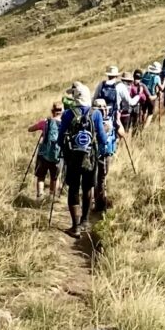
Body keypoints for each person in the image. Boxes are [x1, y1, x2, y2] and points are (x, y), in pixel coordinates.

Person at [55, 83, 99, 233]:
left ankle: (75, 227)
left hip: (73, 158)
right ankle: (85, 221)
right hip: (90, 157)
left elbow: (60, 138)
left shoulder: (68, 114)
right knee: (88, 187)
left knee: (73, 188)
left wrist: (66, 151)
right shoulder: (96, 114)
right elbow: (104, 139)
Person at [27, 102, 65, 200]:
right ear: (62, 112)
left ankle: (40, 196)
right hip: (58, 155)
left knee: (41, 176)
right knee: (55, 177)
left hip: (43, 154)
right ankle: (51, 197)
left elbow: (30, 129)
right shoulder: (65, 124)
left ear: (52, 111)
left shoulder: (46, 122)